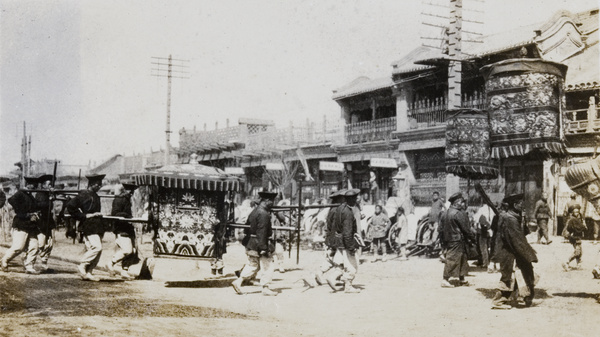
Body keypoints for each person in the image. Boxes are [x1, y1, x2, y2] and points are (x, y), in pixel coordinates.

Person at [491, 193, 538, 309]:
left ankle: (523, 296)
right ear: (514, 204)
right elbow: (517, 239)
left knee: (524, 272)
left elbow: (522, 233)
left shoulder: (515, 216)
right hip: (509, 251)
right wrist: (528, 254)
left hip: (515, 250)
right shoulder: (509, 219)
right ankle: (498, 300)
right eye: (520, 203)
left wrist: (525, 224)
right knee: (508, 277)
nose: (522, 205)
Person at [231, 191, 278, 296]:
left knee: (252, 265)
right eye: (271, 201)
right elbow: (262, 232)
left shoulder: (254, 211)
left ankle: (238, 282)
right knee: (268, 265)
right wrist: (263, 248)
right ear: (266, 201)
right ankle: (265, 287)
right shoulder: (264, 214)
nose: (272, 203)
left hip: (252, 243)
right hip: (260, 243)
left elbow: (247, 228)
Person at [302, 189, 346, 288]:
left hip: (331, 237)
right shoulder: (338, 210)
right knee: (340, 259)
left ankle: (316, 275)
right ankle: (332, 277)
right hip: (337, 238)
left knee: (331, 258)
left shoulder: (331, 210)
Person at [67, 174, 106, 281]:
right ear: (92, 184)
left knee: (96, 250)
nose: (99, 187)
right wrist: (84, 216)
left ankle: (89, 272)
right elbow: (70, 206)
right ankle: (82, 265)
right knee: (97, 247)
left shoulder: (96, 195)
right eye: (98, 185)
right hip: (88, 225)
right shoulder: (83, 194)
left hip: (97, 226)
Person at [1, 176, 42, 274]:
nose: (35, 187)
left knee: (34, 246)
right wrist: (25, 213)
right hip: (21, 223)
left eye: (35, 185)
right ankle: (4, 260)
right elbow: (11, 200)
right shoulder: (20, 193)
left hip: (31, 225)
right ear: (28, 185)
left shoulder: (31, 196)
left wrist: (36, 213)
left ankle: (29, 266)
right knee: (18, 247)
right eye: (33, 185)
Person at [328, 189, 361, 293]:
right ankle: (348, 286)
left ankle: (332, 277)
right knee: (352, 265)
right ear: (351, 199)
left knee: (341, 264)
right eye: (355, 198)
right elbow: (347, 232)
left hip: (339, 242)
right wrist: (351, 247)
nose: (356, 200)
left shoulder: (340, 208)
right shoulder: (348, 213)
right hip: (346, 242)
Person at [439, 192, 475, 288]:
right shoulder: (458, 213)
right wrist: (472, 238)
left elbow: (440, 229)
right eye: (460, 202)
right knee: (452, 259)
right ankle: (445, 279)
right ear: (456, 202)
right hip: (457, 240)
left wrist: (442, 242)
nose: (462, 204)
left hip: (449, 239)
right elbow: (466, 229)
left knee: (462, 258)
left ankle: (462, 278)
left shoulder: (445, 213)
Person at [108, 183, 137, 280]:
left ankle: (125, 271)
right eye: (129, 190)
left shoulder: (128, 200)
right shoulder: (119, 200)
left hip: (128, 228)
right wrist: (128, 216)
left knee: (132, 251)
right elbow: (115, 214)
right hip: (121, 228)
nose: (131, 192)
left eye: (132, 190)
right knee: (127, 250)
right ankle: (110, 263)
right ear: (124, 190)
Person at [33, 174, 56, 273]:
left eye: (51, 185)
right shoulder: (39, 194)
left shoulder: (49, 194)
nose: (50, 186)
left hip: (48, 221)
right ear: (43, 185)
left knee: (49, 243)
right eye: (48, 184)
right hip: (41, 221)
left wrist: (52, 197)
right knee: (41, 243)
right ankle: (28, 261)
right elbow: (38, 205)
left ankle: (44, 263)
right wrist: (49, 201)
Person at [562, 204, 587, 271]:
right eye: (575, 212)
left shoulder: (577, 219)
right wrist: (583, 226)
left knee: (579, 251)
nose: (577, 213)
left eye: (578, 211)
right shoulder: (573, 220)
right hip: (574, 237)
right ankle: (566, 261)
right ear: (572, 212)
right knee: (577, 251)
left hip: (577, 236)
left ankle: (578, 264)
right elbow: (578, 228)